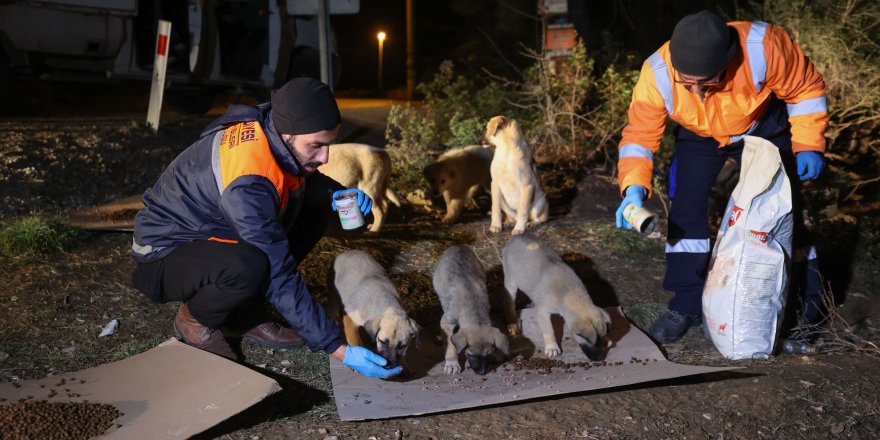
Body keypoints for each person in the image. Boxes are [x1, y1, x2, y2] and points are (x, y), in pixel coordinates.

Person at [130, 77, 401, 379]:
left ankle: (243, 315)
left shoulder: (272, 126)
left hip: (212, 229)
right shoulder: (248, 181)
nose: (324, 157)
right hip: (164, 252)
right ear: (286, 135)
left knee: (313, 211)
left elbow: (298, 174)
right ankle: (195, 318)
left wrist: (333, 194)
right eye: (316, 146)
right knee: (251, 265)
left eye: (329, 144)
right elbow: (278, 272)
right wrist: (337, 347)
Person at [614, 11, 828, 343]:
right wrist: (632, 186)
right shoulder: (656, 72)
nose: (697, 90)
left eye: (708, 82)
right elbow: (639, 136)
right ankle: (686, 304)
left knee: (783, 213)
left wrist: (808, 144)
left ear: (727, 61)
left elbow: (805, 90)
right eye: (688, 83)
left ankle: (804, 308)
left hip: (762, 125)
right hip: (699, 135)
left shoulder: (763, 46)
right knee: (686, 209)